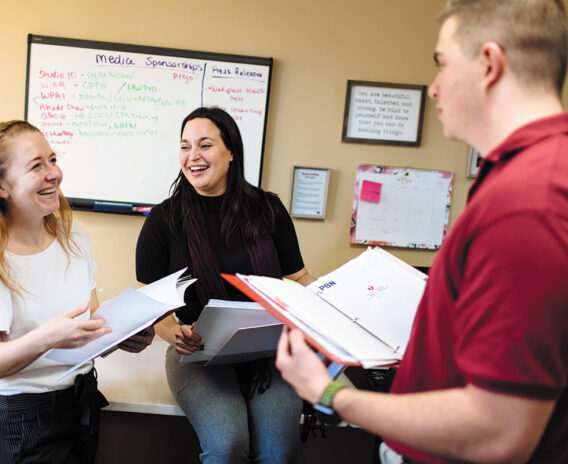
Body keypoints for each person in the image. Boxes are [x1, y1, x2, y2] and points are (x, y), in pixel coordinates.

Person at [276, 1, 568, 463]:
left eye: (441, 64)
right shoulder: (530, 175)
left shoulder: (529, 200)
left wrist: (328, 392)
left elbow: (499, 431)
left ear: (489, 64)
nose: (433, 89)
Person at [0, 120, 154, 464]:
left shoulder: (74, 238)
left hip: (80, 407)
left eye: (52, 159)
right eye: (37, 165)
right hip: (24, 422)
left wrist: (119, 337)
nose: (54, 173)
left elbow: (88, 321)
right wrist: (46, 337)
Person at [136, 107, 316, 463]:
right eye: (185, 146)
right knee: (228, 446)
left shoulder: (269, 210)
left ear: (230, 151)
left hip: (269, 354)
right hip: (198, 354)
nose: (193, 156)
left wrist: (334, 296)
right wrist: (172, 331)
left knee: (279, 452)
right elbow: (148, 301)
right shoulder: (164, 219)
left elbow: (298, 278)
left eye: (205, 145)